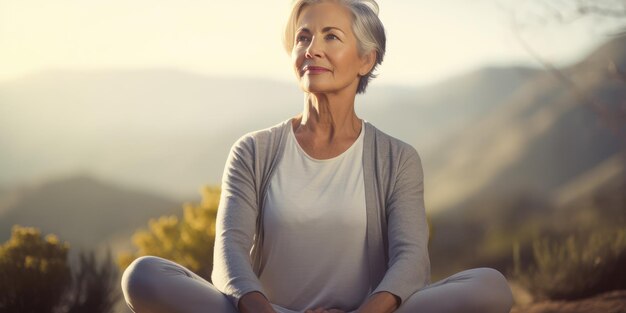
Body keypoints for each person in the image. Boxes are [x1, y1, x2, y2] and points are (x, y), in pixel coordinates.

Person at [120, 0, 514, 312]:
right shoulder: (254, 150)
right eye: (303, 37)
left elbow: (411, 259)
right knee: (144, 276)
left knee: (490, 287)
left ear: (366, 59)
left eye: (330, 37)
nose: (312, 49)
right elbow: (229, 253)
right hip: (265, 311)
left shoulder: (397, 158)